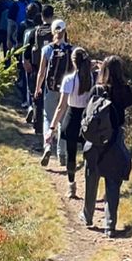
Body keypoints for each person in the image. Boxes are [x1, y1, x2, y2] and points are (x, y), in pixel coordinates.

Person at [79, 56, 132, 235]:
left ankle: (88, 216)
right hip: (115, 138)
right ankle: (110, 225)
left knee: (91, 177)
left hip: (96, 139)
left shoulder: (98, 89)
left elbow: (87, 114)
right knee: (113, 181)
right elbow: (131, 100)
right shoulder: (125, 91)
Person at [51, 47, 95, 196]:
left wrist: (52, 126)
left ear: (73, 62)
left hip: (71, 117)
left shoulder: (69, 80)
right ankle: (90, 187)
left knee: (71, 153)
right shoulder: (91, 77)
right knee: (88, 154)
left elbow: (61, 106)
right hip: (86, 118)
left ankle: (71, 185)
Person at [35, 20, 74, 160]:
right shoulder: (72, 49)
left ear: (52, 32)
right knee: (63, 120)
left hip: (50, 89)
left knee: (48, 118)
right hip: (66, 91)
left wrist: (37, 87)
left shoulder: (47, 49)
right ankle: (61, 153)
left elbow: (41, 72)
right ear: (65, 31)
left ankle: (47, 146)